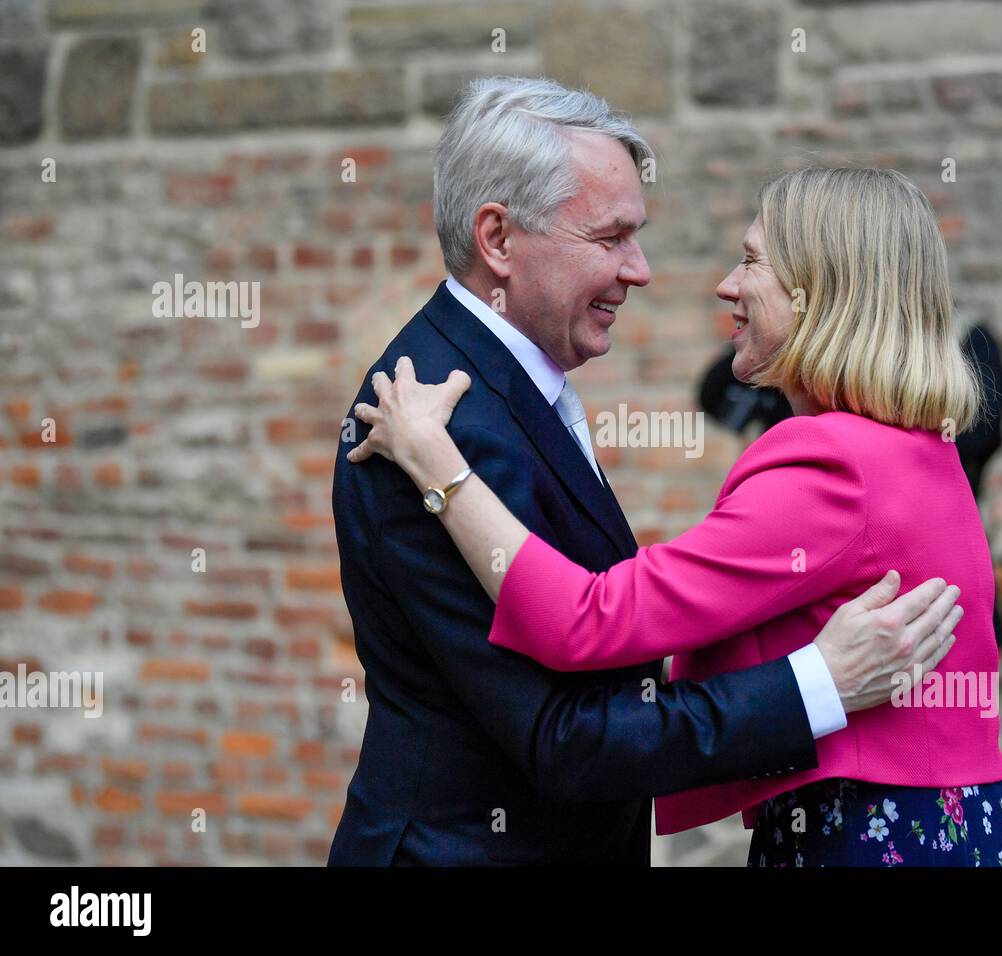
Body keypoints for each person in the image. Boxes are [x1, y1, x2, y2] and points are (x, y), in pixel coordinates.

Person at [327, 77, 962, 867]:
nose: (641, 269)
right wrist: (818, 683)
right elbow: (563, 737)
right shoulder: (433, 416)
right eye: (610, 238)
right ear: (498, 239)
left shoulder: (509, 388)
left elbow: (608, 625)